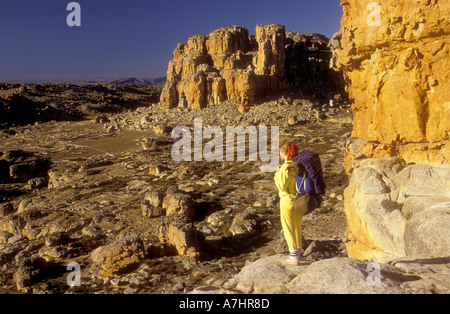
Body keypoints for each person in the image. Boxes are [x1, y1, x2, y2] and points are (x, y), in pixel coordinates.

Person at [274, 138, 326, 265]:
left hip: (287, 200)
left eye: (280, 152)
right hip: (299, 199)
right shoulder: (299, 164)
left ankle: (293, 257)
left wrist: (277, 173)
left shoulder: (286, 166)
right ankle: (297, 253)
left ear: (284, 152)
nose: (280, 154)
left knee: (288, 228)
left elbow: (281, 185)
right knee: (297, 227)